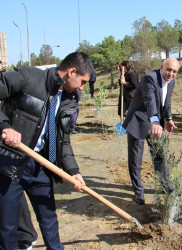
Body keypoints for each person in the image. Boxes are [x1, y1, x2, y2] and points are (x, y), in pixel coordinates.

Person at [0, 52, 94, 249]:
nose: (83, 88)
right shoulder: (28, 77)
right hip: (9, 162)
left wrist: (74, 172)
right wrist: (4, 126)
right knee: (7, 226)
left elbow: (63, 140)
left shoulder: (68, 99)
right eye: (83, 82)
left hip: (40, 165)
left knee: (49, 217)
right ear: (71, 72)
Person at [123, 58, 180, 205]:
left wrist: (168, 118)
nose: (171, 74)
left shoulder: (171, 81)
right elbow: (150, 100)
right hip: (138, 119)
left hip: (155, 122)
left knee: (160, 153)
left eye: (174, 71)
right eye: (168, 70)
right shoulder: (149, 78)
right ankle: (138, 191)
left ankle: (165, 184)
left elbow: (166, 101)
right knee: (136, 158)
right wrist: (155, 121)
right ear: (162, 67)